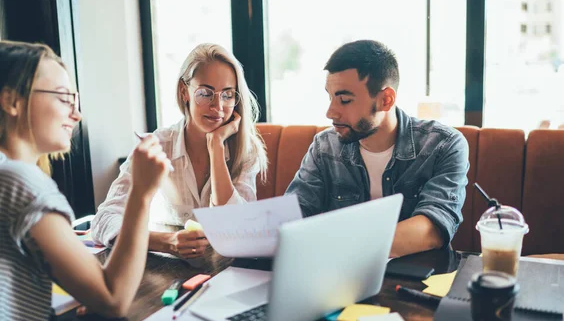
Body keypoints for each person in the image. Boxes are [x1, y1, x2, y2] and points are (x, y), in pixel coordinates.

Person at [0, 41, 170, 321]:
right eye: (64, 98)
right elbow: (113, 298)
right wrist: (141, 193)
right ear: (11, 101)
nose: (76, 114)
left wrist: (83, 282)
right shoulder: (20, 183)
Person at [285, 40, 469, 257]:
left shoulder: (444, 145)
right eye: (330, 97)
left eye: (344, 100)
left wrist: (338, 245)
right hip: (341, 278)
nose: (331, 112)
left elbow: (432, 229)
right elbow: (294, 217)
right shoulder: (324, 147)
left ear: (386, 100)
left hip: (419, 279)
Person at [91, 43, 267, 260]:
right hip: (168, 267)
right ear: (185, 92)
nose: (218, 106)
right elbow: (104, 220)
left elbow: (237, 227)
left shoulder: (246, 151)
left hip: (228, 268)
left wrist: (216, 147)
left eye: (227, 95)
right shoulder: (158, 145)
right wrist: (166, 242)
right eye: (205, 93)